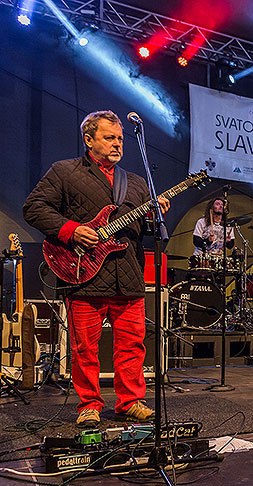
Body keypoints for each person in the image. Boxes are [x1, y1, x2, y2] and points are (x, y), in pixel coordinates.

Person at [23, 110, 170, 427]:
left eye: (120, 138)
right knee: (84, 348)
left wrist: (153, 217)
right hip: (83, 275)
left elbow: (146, 231)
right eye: (109, 137)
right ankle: (89, 404)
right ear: (89, 139)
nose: (118, 143)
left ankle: (130, 401)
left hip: (128, 277)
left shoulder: (136, 183)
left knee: (132, 346)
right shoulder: (64, 172)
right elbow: (33, 208)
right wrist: (70, 230)